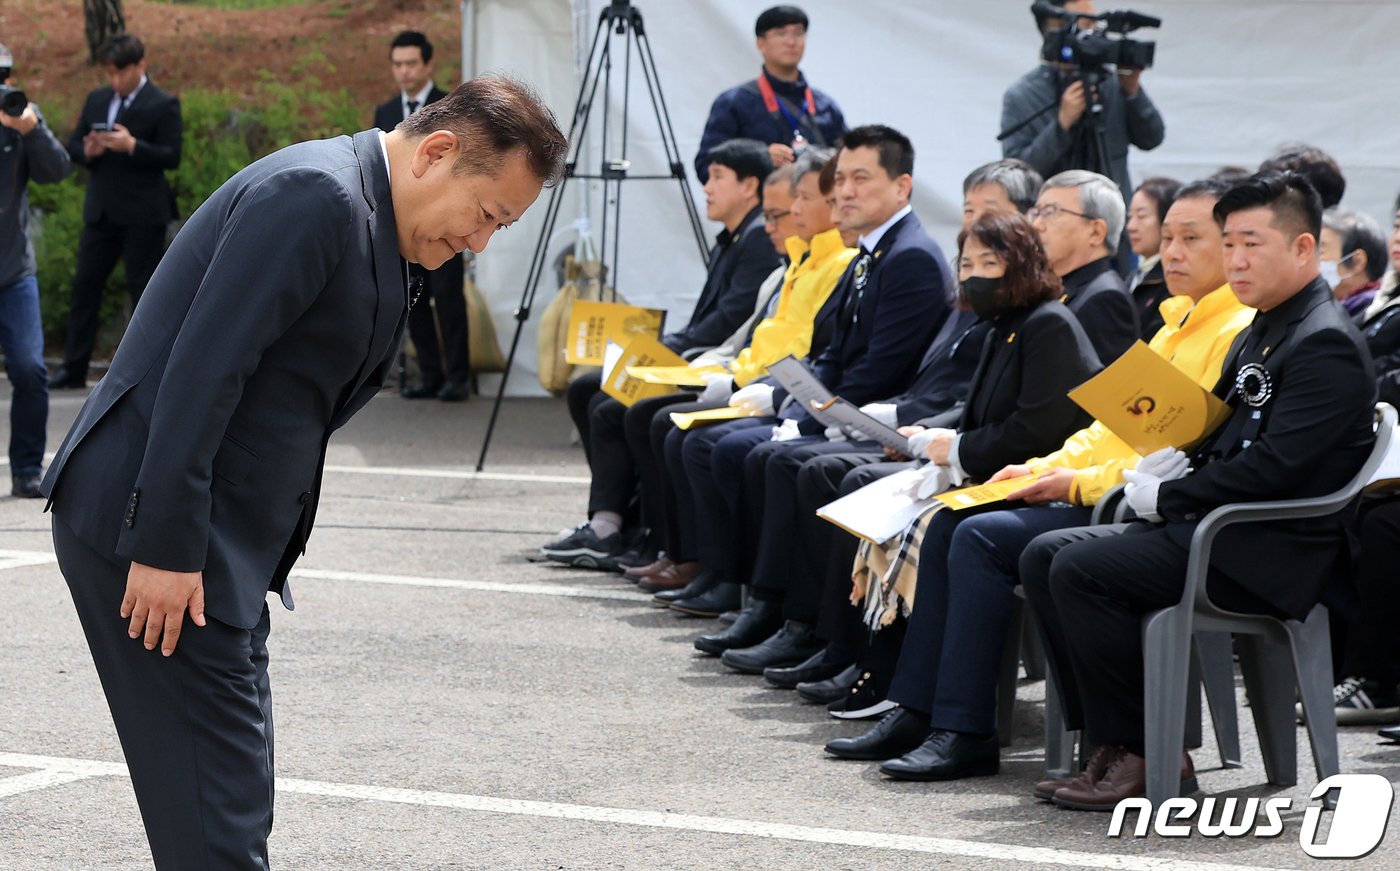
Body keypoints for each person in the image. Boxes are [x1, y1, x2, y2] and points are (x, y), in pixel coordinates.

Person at [41, 75, 567, 868]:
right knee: (216, 818)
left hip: (219, 542)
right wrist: (167, 547)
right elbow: (200, 374)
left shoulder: (374, 214)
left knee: (228, 801)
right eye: (487, 214)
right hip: (157, 533)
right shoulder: (315, 197)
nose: (482, 241)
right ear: (436, 152)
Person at [824, 179, 1255, 776]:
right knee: (948, 520)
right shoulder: (1173, 323)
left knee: (974, 534)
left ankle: (963, 727)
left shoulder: (1233, 332)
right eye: (1170, 237)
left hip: (1137, 506)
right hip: (1106, 485)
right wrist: (1044, 466)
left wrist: (1071, 482)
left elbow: (1178, 453)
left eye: (1194, 239)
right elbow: (1108, 429)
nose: (1172, 251)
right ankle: (920, 706)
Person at [1021, 171, 1377, 810]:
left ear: (1303, 248)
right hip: (1225, 528)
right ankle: (1108, 740)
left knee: (1080, 567)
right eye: (1231, 243)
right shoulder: (1263, 328)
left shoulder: (1323, 340)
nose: (1236, 260)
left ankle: (1149, 754)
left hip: (1269, 547)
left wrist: (1176, 496)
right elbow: (1220, 434)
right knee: (1044, 554)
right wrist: (1164, 466)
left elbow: (1278, 467)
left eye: (1252, 244)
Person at [659, 125, 953, 619]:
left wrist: (804, 414)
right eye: (843, 179)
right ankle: (744, 589)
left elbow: (878, 370)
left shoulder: (911, 258)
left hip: (879, 417)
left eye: (862, 178)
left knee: (765, 455)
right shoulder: (873, 250)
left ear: (902, 186)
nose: (847, 191)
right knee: (728, 443)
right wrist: (792, 402)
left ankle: (781, 609)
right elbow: (834, 350)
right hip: (838, 403)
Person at [546, 138, 780, 567]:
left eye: (717, 177)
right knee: (584, 389)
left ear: (751, 186)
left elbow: (728, 323)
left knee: (610, 406)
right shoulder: (731, 239)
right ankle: (618, 518)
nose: (706, 187)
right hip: (703, 354)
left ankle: (629, 529)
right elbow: (708, 321)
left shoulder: (762, 240)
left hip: (715, 364)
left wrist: (657, 352)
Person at [50, 32, 182, 390]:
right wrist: (88, 150)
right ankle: (73, 368)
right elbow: (73, 145)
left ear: (140, 66)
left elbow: (172, 155)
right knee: (84, 288)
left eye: (121, 73)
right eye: (110, 74)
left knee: (146, 294)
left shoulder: (163, 103)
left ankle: (151, 373)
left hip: (143, 213)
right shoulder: (97, 100)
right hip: (102, 211)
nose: (115, 81)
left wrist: (132, 145)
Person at [999, 0, 1164, 229]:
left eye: (1098, 25)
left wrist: (1132, 91)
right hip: (1051, 229)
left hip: (1113, 225)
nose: (1095, 33)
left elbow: (1152, 138)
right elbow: (1018, 178)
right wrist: (1061, 125)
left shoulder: (1110, 82)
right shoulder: (1023, 94)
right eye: (1087, 24)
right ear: (1055, 29)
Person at [375, 30, 472, 402]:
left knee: (449, 299)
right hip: (405, 223)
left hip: (447, 220)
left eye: (411, 63)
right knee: (411, 299)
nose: (404, 71)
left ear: (428, 64)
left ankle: (458, 377)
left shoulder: (451, 105)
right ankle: (430, 374)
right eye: (397, 64)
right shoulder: (385, 111)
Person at [0, 43, 71, 497]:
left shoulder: (23, 117)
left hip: (13, 271)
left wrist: (31, 131)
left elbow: (57, 170)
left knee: (29, 368)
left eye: (5, 76)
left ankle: (27, 468)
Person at [694, 5, 846, 181]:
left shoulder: (825, 106)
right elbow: (706, 167)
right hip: (762, 207)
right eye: (781, 33)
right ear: (760, 43)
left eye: (798, 33)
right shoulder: (734, 102)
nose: (791, 41)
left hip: (817, 205)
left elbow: (848, 162)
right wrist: (760, 158)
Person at [1028, 169, 1138, 362]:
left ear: (1096, 232)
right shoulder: (1064, 286)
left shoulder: (1105, 299)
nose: (1037, 225)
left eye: (1051, 212)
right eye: (1037, 213)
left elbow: (1101, 387)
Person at [1125, 176, 1179, 339]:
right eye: (1129, 217)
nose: (1131, 227)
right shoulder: (1135, 274)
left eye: (1141, 216)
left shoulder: (1173, 281)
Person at [1319, 207, 1387, 319]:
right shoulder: (1328, 311)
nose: (1311, 260)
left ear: (1357, 262)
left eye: (1320, 252)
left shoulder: (1379, 317)